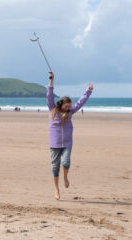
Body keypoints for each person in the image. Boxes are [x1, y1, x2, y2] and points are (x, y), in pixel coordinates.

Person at [47, 72, 93, 200]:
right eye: (66, 106)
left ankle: (65, 177)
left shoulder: (71, 112)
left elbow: (80, 103)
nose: (68, 109)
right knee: (55, 166)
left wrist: (88, 91)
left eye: (69, 107)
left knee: (66, 162)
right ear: (61, 104)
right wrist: (51, 82)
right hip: (54, 143)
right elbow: (49, 96)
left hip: (67, 142)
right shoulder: (52, 110)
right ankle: (56, 190)